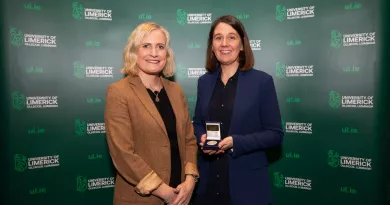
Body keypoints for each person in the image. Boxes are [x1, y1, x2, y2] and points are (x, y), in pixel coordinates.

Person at [192, 15, 284, 205]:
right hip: (208, 186)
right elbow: (198, 123)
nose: (224, 43)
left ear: (242, 45)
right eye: (218, 38)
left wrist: (236, 142)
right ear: (212, 46)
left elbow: (275, 134)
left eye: (231, 37)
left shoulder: (262, 82)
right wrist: (201, 136)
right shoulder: (204, 82)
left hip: (247, 188)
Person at [104, 22, 199, 205]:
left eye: (160, 47)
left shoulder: (176, 91)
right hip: (141, 199)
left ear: (167, 54)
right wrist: (166, 193)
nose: (154, 53)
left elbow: (189, 140)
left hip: (181, 196)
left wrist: (189, 180)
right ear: (134, 51)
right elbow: (123, 153)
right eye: (146, 46)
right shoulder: (119, 92)